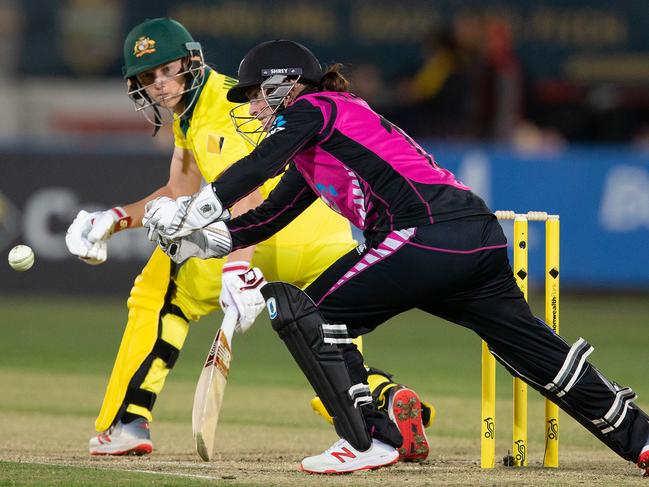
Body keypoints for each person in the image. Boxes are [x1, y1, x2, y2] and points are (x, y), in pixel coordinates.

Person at [142, 39, 649, 476]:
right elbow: (269, 217)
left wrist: (192, 210)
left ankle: (369, 440)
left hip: (426, 233)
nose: (251, 108)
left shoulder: (314, 108)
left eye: (254, 94)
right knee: (527, 347)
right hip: (475, 235)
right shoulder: (321, 137)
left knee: (310, 310)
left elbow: (255, 167)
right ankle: (639, 435)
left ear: (284, 84)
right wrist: (194, 242)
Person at [64, 18, 433, 460]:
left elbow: (248, 193)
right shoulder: (200, 110)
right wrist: (115, 218)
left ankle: (126, 423)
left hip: (266, 231)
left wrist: (238, 268)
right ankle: (385, 403)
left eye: (168, 70)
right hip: (328, 239)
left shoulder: (224, 105)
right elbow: (179, 189)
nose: (160, 85)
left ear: (192, 61)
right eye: (148, 77)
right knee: (328, 343)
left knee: (159, 293)